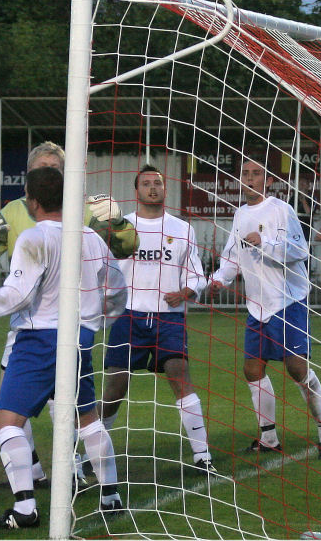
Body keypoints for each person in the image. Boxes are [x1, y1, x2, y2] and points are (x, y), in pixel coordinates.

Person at [0, 166, 128, 529]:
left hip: (40, 339)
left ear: (31, 201)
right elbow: (116, 288)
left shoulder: (33, 238)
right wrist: (96, 320)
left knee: (7, 420)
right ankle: (110, 495)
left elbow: (15, 297)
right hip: (80, 338)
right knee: (87, 417)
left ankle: (25, 510)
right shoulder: (91, 237)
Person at [208, 158, 321, 459]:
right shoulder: (240, 214)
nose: (250, 179)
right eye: (245, 174)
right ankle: (268, 438)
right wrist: (217, 280)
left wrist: (264, 241)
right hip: (257, 307)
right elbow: (231, 258)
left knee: (296, 368)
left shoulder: (282, 209)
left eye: (256, 174)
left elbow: (300, 250)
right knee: (252, 369)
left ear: (267, 180)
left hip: (287, 301)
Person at [101, 165, 217, 475]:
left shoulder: (182, 229)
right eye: (146, 184)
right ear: (136, 191)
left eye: (158, 183)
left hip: (169, 318)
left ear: (165, 190)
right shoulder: (121, 229)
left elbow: (197, 274)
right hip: (128, 316)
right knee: (115, 387)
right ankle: (92, 452)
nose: (153, 188)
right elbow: (105, 272)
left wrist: (187, 291)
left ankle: (202, 455)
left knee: (179, 376)